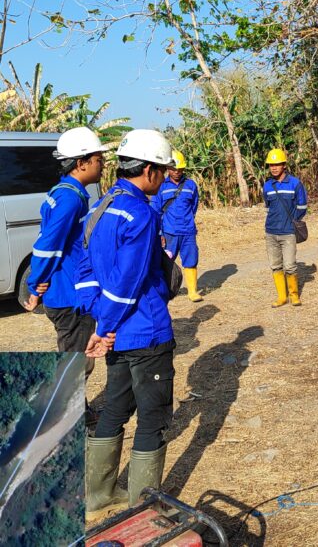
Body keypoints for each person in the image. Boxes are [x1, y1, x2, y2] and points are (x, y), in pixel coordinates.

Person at [77, 129, 177, 519]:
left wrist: (100, 320)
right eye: (163, 170)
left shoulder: (99, 207)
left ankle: (98, 498)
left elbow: (83, 272)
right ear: (149, 170)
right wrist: (104, 327)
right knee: (153, 419)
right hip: (145, 333)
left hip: (117, 335)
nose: (165, 177)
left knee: (116, 409)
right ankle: (144, 509)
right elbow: (128, 281)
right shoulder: (140, 213)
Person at [25, 126, 108, 423]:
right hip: (69, 296)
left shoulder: (62, 191)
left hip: (65, 291)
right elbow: (48, 245)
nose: (102, 164)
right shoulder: (71, 198)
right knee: (77, 362)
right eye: (98, 159)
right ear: (81, 162)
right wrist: (35, 287)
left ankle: (78, 413)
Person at [152, 150, 202, 302]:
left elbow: (194, 206)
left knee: (191, 260)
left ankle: (192, 292)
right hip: (169, 233)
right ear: (168, 168)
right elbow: (156, 210)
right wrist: (159, 233)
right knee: (166, 261)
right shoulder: (160, 186)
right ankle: (165, 290)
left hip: (188, 231)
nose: (177, 172)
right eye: (174, 169)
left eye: (180, 169)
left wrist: (187, 221)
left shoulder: (191, 185)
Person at [263, 148, 308, 307]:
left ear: (284, 165)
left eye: (277, 164)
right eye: (271, 165)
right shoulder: (267, 185)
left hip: (288, 233)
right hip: (271, 232)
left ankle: (294, 295)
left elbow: (302, 207)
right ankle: (282, 296)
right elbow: (268, 208)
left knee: (289, 266)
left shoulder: (295, 183)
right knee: (275, 265)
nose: (274, 167)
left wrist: (292, 222)